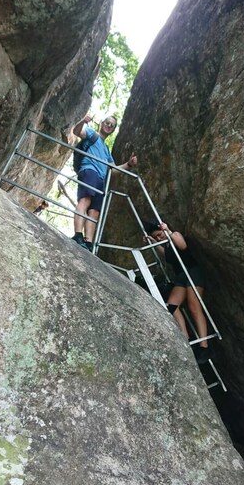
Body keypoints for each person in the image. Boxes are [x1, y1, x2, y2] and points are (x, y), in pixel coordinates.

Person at [143, 221, 210, 363]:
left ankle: (204, 346)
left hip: (192, 272)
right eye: (158, 236)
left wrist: (167, 230)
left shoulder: (174, 235)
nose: (160, 238)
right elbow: (167, 257)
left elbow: (182, 245)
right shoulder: (166, 244)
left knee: (194, 306)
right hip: (180, 277)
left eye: (160, 234)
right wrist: (153, 241)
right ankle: (186, 337)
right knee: (172, 306)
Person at [71, 114, 137, 252]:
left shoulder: (107, 150)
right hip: (89, 171)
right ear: (102, 123)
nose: (108, 126)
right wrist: (83, 121)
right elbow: (76, 132)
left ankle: (88, 243)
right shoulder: (91, 134)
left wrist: (129, 164)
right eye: (107, 122)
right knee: (85, 200)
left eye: (112, 125)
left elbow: (112, 170)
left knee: (95, 211)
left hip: (101, 179)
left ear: (113, 131)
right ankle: (78, 235)